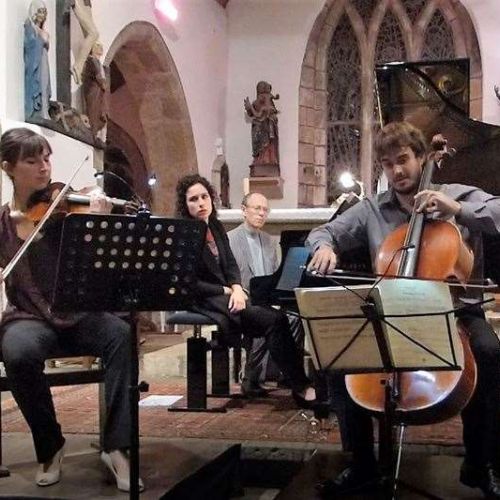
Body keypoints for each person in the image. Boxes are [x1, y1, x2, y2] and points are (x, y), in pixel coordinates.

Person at [306, 121, 500, 498]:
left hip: (455, 312)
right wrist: (324, 247)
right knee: (341, 359)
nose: (396, 170)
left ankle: (481, 463)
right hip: (393, 313)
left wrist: (458, 210)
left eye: (403, 159)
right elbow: (323, 232)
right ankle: (362, 464)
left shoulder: (454, 193)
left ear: (422, 157)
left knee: (490, 354)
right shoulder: (372, 210)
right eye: (387, 163)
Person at [0, 127, 143, 492]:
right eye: (31, 161)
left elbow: (100, 264)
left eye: (46, 158)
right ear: (8, 167)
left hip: (77, 313)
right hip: (29, 318)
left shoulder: (66, 208)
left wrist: (98, 221)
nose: (44, 167)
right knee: (16, 351)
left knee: (121, 335)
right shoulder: (2, 224)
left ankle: (117, 447)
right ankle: (50, 446)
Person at [175, 174, 315, 406]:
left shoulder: (215, 226)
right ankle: (299, 385)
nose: (200, 203)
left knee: (278, 318)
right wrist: (225, 290)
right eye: (193, 199)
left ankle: (293, 381)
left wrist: (237, 287)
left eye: (204, 197)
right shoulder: (183, 234)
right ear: (185, 204)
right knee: (272, 320)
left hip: (226, 293)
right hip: (201, 296)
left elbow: (230, 264)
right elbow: (187, 282)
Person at [227, 192, 304, 396]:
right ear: (244, 211)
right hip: (243, 298)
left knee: (295, 317)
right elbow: (227, 276)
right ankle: (252, 376)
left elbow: (274, 273)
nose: (261, 213)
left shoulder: (269, 240)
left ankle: (284, 374)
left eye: (265, 210)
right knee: (268, 318)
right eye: (257, 209)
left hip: (265, 297)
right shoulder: (230, 239)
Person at [244, 81, 280, 176]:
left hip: (268, 127)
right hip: (259, 127)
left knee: (269, 144)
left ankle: (268, 160)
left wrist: (270, 116)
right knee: (260, 144)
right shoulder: (256, 102)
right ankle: (260, 160)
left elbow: (272, 111)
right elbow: (251, 113)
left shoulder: (269, 101)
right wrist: (249, 108)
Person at [24, 0, 51, 120]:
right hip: (35, 62)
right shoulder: (30, 27)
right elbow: (29, 44)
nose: (42, 15)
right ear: (34, 12)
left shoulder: (42, 31)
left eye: (44, 12)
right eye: (40, 12)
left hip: (43, 60)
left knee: (45, 85)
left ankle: (44, 111)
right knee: (38, 84)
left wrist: (43, 39)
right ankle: (37, 111)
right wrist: (41, 40)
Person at [66, 0, 99, 85]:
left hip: (86, 3)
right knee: (93, 33)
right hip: (78, 2)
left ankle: (81, 68)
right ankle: (78, 66)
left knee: (91, 37)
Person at [82, 41, 108, 138]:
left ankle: (97, 133)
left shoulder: (97, 62)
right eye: (98, 47)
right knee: (93, 111)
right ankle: (93, 132)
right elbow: (97, 75)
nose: (101, 49)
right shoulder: (91, 61)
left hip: (98, 91)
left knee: (98, 112)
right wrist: (102, 83)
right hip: (93, 91)